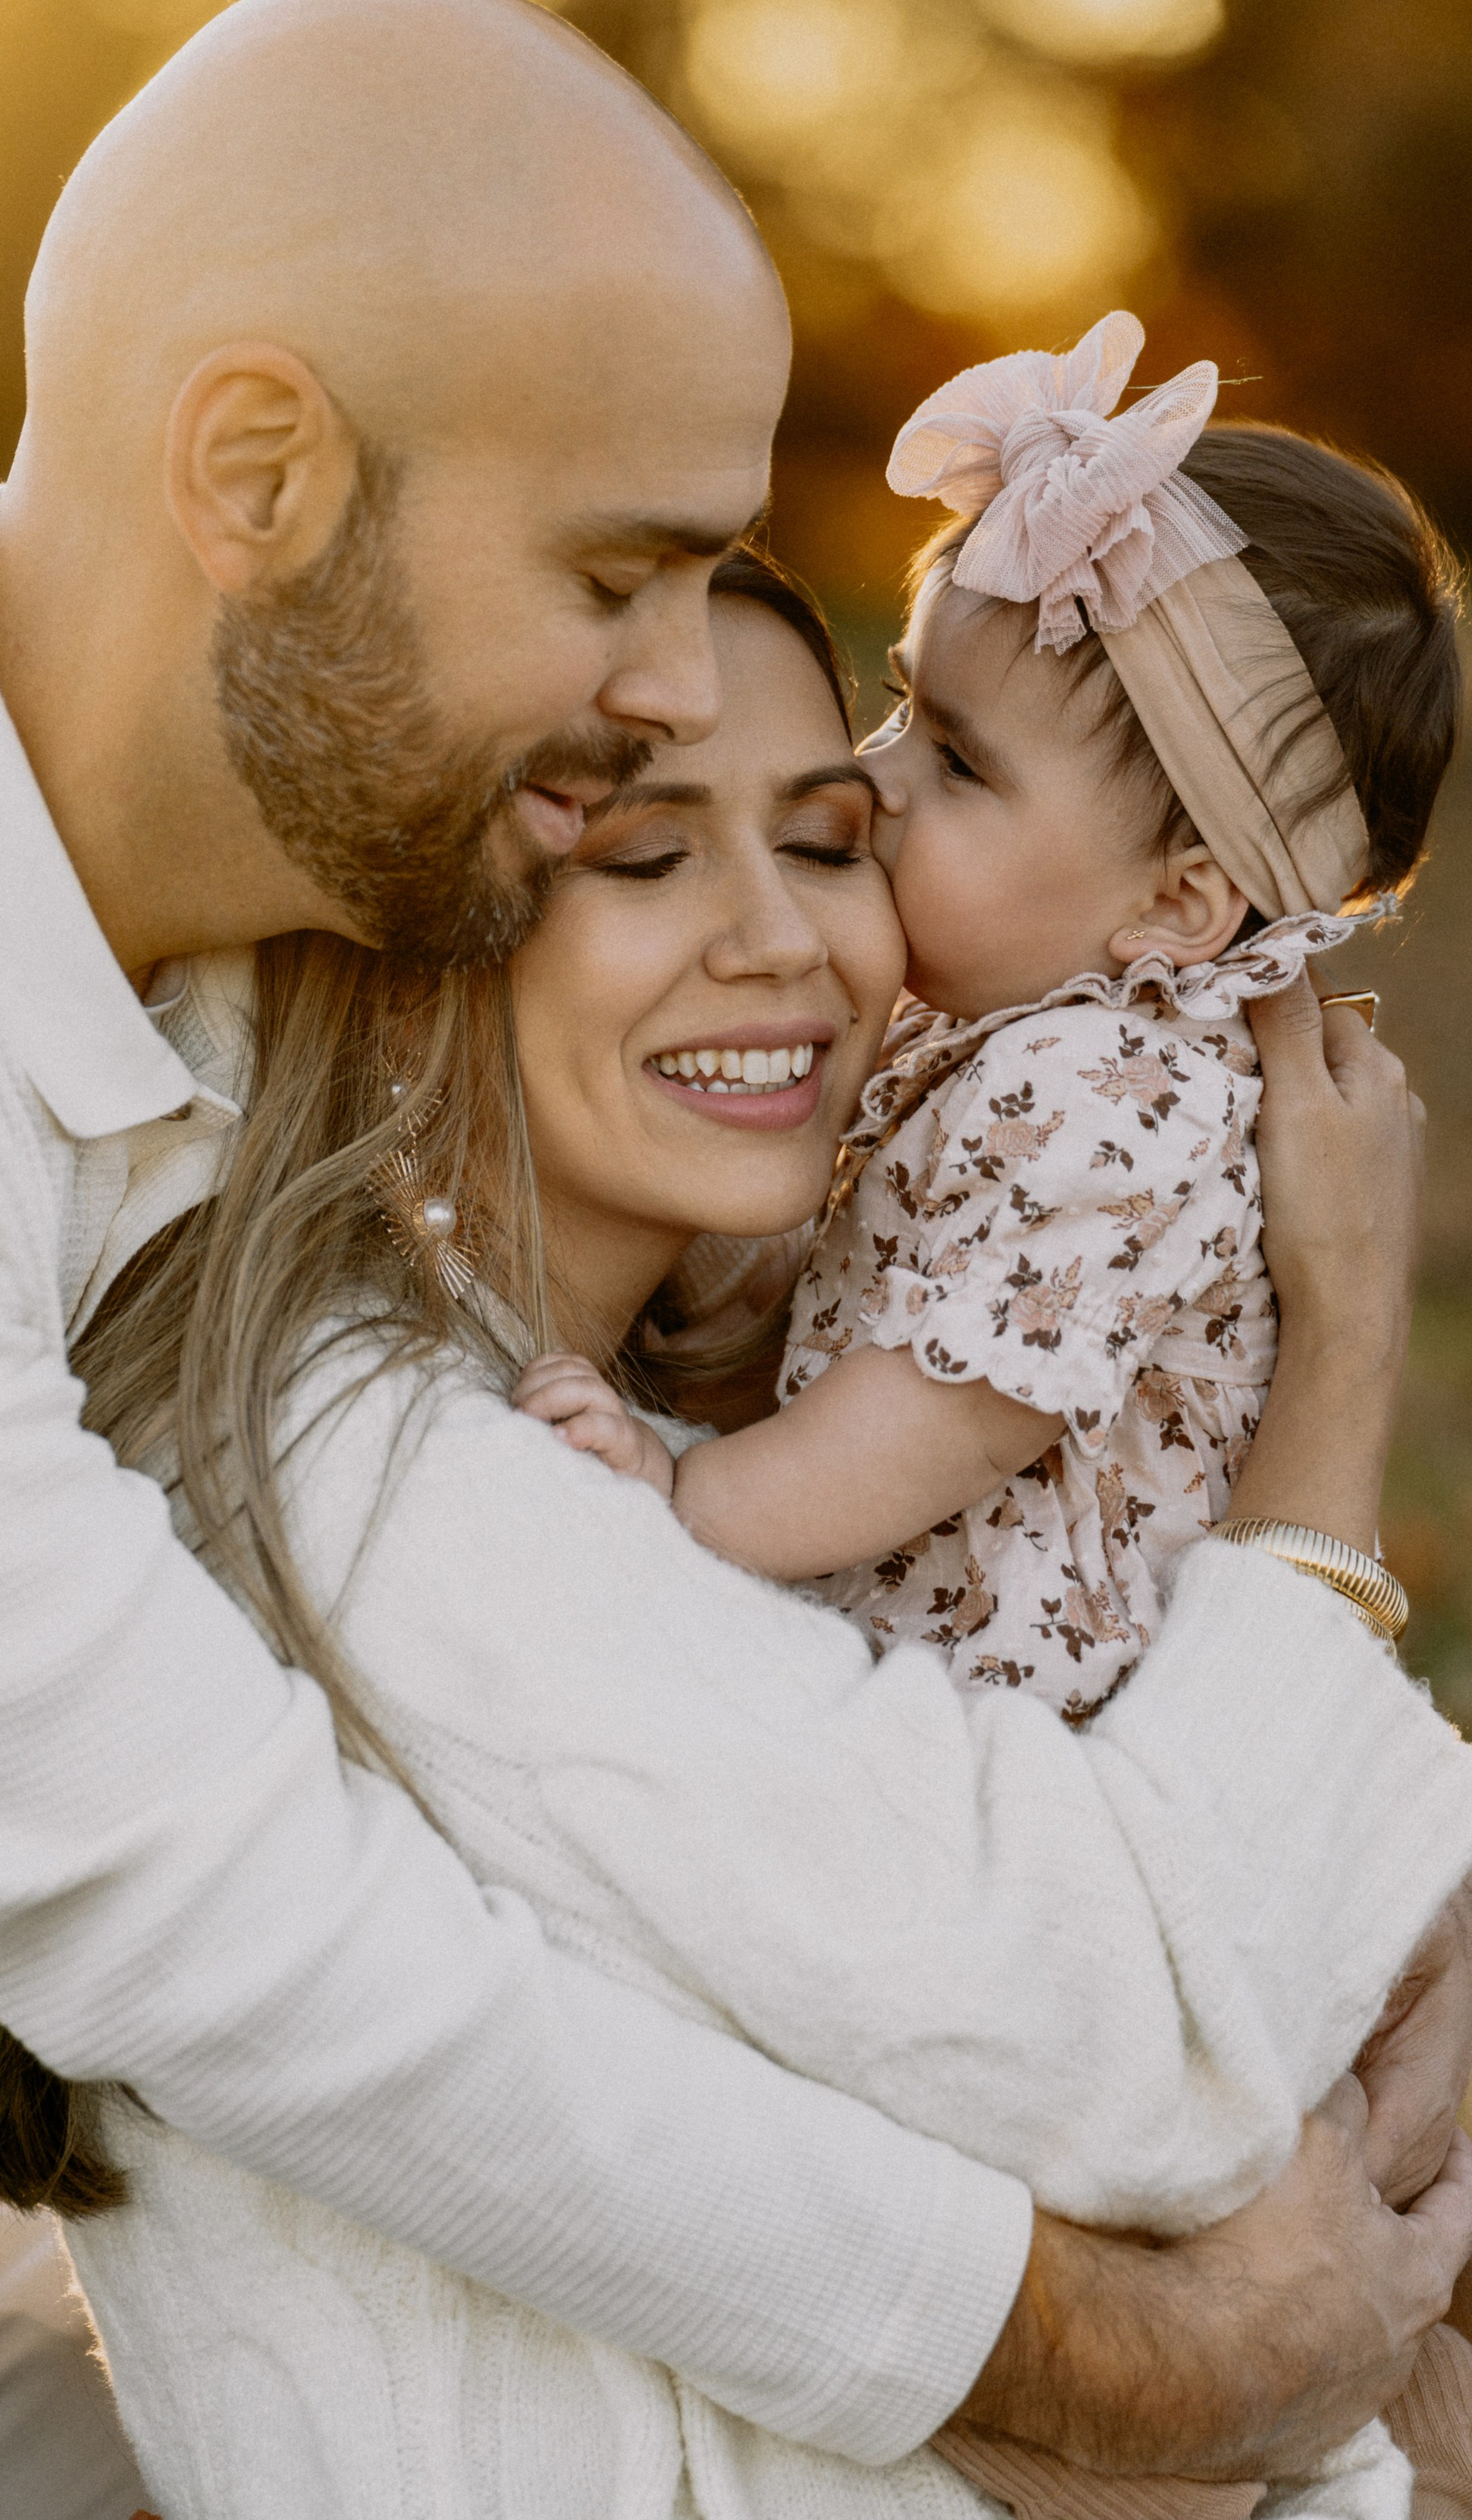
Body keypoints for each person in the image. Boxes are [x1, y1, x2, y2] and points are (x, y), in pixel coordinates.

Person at [0, 0, 1465, 2520]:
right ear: (260, 474)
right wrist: (1126, 2353)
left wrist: (1390, 1874)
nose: (677, 680)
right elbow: (241, 1942)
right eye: (616, 574)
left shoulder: (291, 917)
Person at [0, 552, 1472, 2520]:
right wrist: (1341, 1360)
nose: (786, 939)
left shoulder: (640, 1405)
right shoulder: (391, 1475)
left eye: (833, 836)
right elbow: (1141, 2041)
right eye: (645, 858)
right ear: (410, 938)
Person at [515, 312, 1460, 1718]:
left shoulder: (1119, 1088)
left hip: (1044, 1705)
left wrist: (680, 1492)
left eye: (960, 760)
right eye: (901, 705)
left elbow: (945, 1416)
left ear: (1183, 903)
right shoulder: (1019, 1036)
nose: (877, 778)